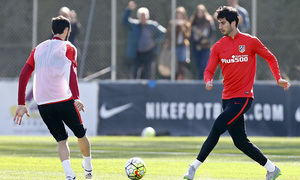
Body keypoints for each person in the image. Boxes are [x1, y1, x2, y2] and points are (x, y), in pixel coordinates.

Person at [183, 6, 290, 180]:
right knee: (240, 142)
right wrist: (208, 81)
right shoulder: (218, 46)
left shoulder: (250, 41)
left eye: (223, 23)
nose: (220, 27)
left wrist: (278, 78)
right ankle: (272, 169)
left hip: (244, 96)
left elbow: (270, 57)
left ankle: (193, 167)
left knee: (218, 125)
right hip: (227, 98)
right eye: (219, 23)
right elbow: (209, 70)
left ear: (234, 22)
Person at [14, 16, 93, 180]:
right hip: (64, 100)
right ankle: (88, 168)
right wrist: (76, 97)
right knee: (80, 134)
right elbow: (72, 73)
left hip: (43, 104)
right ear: (66, 31)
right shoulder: (69, 47)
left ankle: (70, 175)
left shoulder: (38, 49)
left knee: (61, 140)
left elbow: (24, 74)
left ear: (52, 30)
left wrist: (21, 103)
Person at [122, 1, 166, 79]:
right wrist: (129, 9)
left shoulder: (152, 25)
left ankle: (149, 88)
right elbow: (124, 20)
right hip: (137, 53)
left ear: (147, 16)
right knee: (134, 72)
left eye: (144, 16)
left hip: (149, 53)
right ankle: (135, 87)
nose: (143, 18)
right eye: (141, 16)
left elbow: (163, 32)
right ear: (138, 17)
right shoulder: (134, 25)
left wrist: (155, 41)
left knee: (148, 72)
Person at [190, 4, 215, 80]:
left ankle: (206, 79)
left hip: (206, 46)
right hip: (196, 46)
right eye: (198, 12)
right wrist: (196, 40)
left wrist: (207, 40)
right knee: (198, 65)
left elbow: (212, 33)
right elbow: (190, 35)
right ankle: (200, 81)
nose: (199, 13)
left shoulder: (209, 21)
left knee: (205, 64)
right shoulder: (193, 22)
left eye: (201, 12)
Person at [167, 6, 191, 80]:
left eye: (181, 15)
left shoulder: (187, 24)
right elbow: (169, 35)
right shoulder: (171, 23)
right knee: (174, 63)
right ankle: (173, 78)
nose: (179, 16)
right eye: (178, 14)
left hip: (183, 45)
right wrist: (175, 26)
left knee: (182, 63)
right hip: (174, 45)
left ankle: (181, 77)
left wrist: (182, 27)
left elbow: (187, 35)